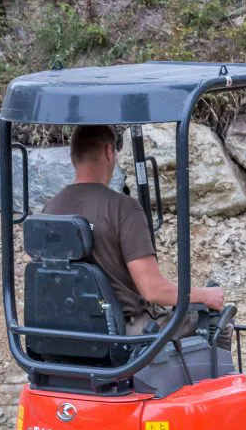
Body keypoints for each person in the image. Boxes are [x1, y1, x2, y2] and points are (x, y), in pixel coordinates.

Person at [43, 125, 224, 335]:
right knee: (205, 317)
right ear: (109, 151)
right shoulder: (123, 208)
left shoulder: (49, 210)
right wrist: (205, 295)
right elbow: (152, 290)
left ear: (73, 155)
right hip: (122, 333)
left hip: (65, 330)